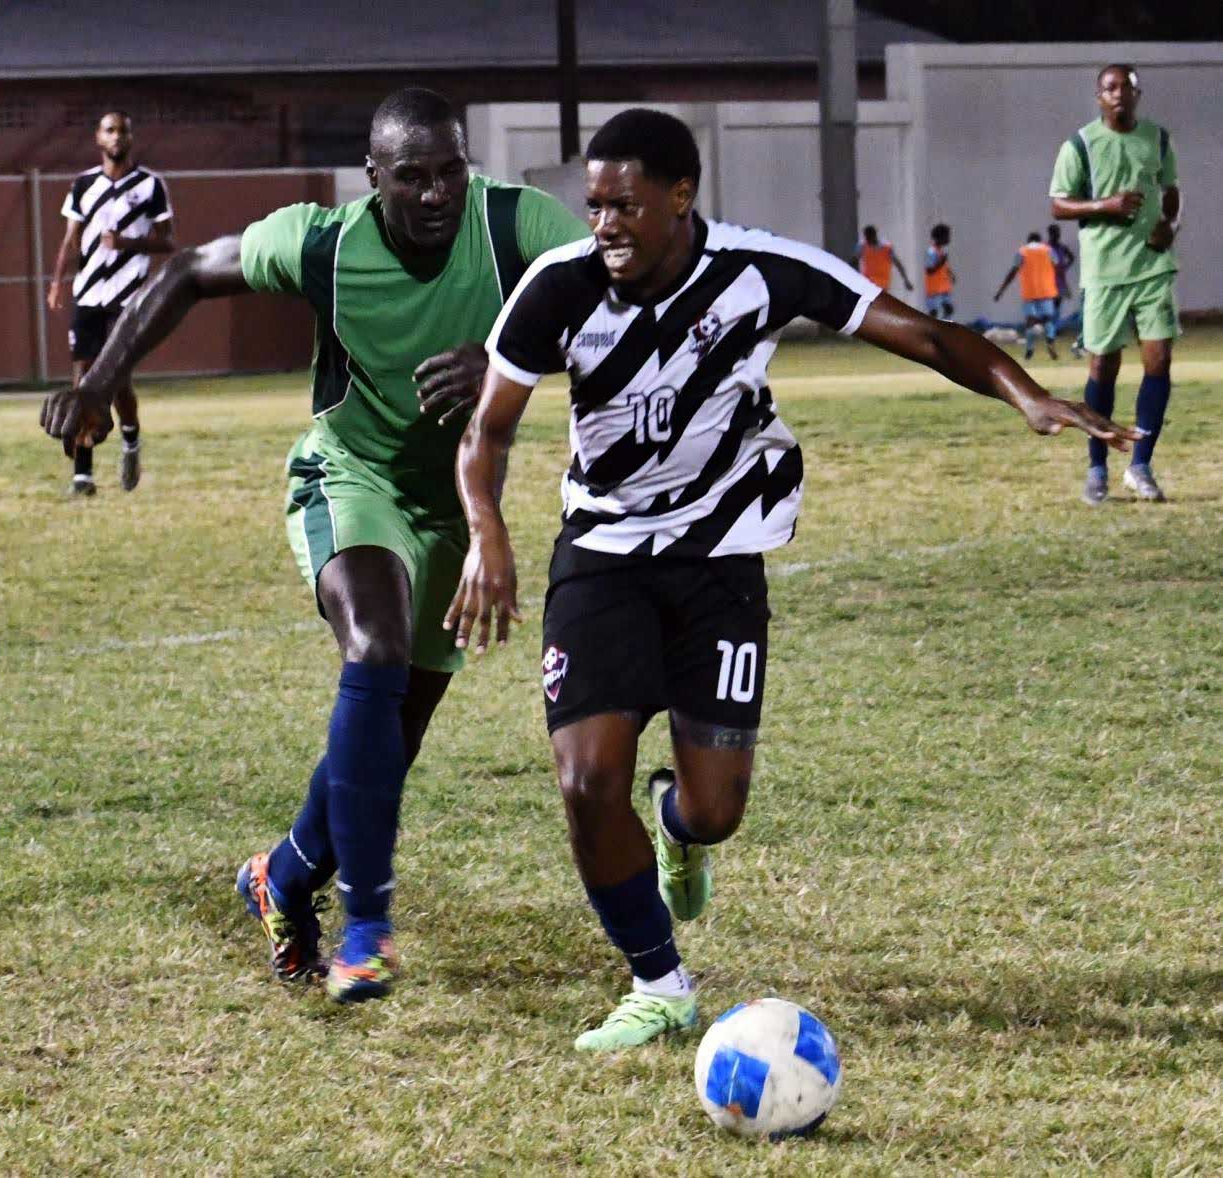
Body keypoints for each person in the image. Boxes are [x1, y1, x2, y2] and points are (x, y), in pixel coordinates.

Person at [446, 108, 1137, 1051]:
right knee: (583, 779)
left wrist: (1028, 396)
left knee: (717, 810)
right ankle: (659, 980)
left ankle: (678, 829)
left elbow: (923, 334)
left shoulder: (759, 270)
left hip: (721, 562)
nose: (602, 225)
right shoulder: (557, 287)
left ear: (680, 198)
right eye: (594, 206)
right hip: (601, 557)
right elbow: (486, 432)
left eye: (623, 207)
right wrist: (488, 533)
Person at [40, 87, 589, 1003]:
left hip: (451, 504)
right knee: (371, 646)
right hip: (350, 478)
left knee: (387, 743)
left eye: (448, 170)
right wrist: (99, 383)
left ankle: (283, 878)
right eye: (409, 177)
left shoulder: (513, 224)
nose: (433, 194)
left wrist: (505, 358)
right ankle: (367, 923)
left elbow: (611, 299)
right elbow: (185, 272)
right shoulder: (326, 242)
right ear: (373, 179)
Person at [1049, 63, 1181, 505]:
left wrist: (1170, 224)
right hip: (1105, 273)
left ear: (1137, 94)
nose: (1119, 93)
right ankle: (1097, 469)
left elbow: (1172, 191)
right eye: (1110, 87)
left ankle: (1140, 466)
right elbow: (1059, 205)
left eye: (1127, 86)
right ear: (1099, 96)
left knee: (1158, 360)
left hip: (1153, 267)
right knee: (1102, 370)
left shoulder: (1158, 139)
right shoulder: (1080, 145)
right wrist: (1105, 204)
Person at [46, 110, 174, 496]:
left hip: (128, 297)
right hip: (88, 294)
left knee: (115, 380)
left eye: (123, 130)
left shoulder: (150, 186)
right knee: (82, 379)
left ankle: (131, 441)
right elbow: (70, 238)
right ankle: (83, 476)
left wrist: (126, 243)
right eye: (109, 130)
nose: (116, 136)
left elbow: (167, 242)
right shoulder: (83, 184)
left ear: (131, 139)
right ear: (98, 139)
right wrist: (56, 282)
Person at [993, 232, 1060, 361]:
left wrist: (1001, 291)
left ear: (1028, 241)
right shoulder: (1048, 250)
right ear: (1040, 241)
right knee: (1049, 320)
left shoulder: (1022, 251)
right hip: (1046, 291)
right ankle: (1050, 341)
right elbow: (1057, 265)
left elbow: (1012, 272)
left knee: (1030, 322)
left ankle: (1029, 350)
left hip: (1029, 292)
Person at [854, 225, 913, 294]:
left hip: (882, 284)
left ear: (874, 235)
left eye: (869, 237)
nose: (868, 240)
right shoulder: (862, 246)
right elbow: (854, 261)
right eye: (867, 237)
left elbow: (898, 264)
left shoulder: (886, 248)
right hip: (868, 282)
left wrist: (906, 280)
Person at [923, 223, 955, 320]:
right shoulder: (931, 252)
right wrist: (941, 262)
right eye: (947, 236)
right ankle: (931, 331)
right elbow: (929, 270)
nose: (949, 238)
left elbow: (945, 267)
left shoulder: (942, 251)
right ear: (940, 237)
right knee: (934, 312)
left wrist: (951, 274)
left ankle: (945, 329)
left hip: (943, 287)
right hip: (934, 289)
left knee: (949, 309)